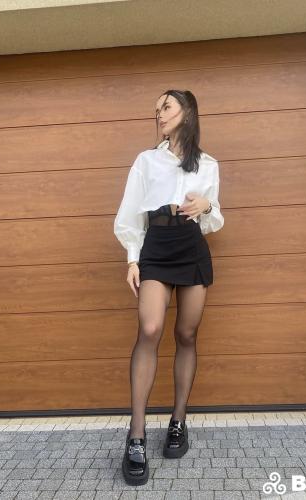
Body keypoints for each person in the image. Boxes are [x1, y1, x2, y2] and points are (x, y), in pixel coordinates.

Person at [113, 89, 224, 486]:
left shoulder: (207, 164)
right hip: (157, 247)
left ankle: (178, 420)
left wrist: (207, 207)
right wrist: (132, 257)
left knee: (186, 334)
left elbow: (214, 218)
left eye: (166, 106)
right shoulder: (147, 160)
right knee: (150, 328)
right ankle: (136, 435)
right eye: (156, 109)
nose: (159, 114)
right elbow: (130, 213)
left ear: (187, 112)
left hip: (191, 247)